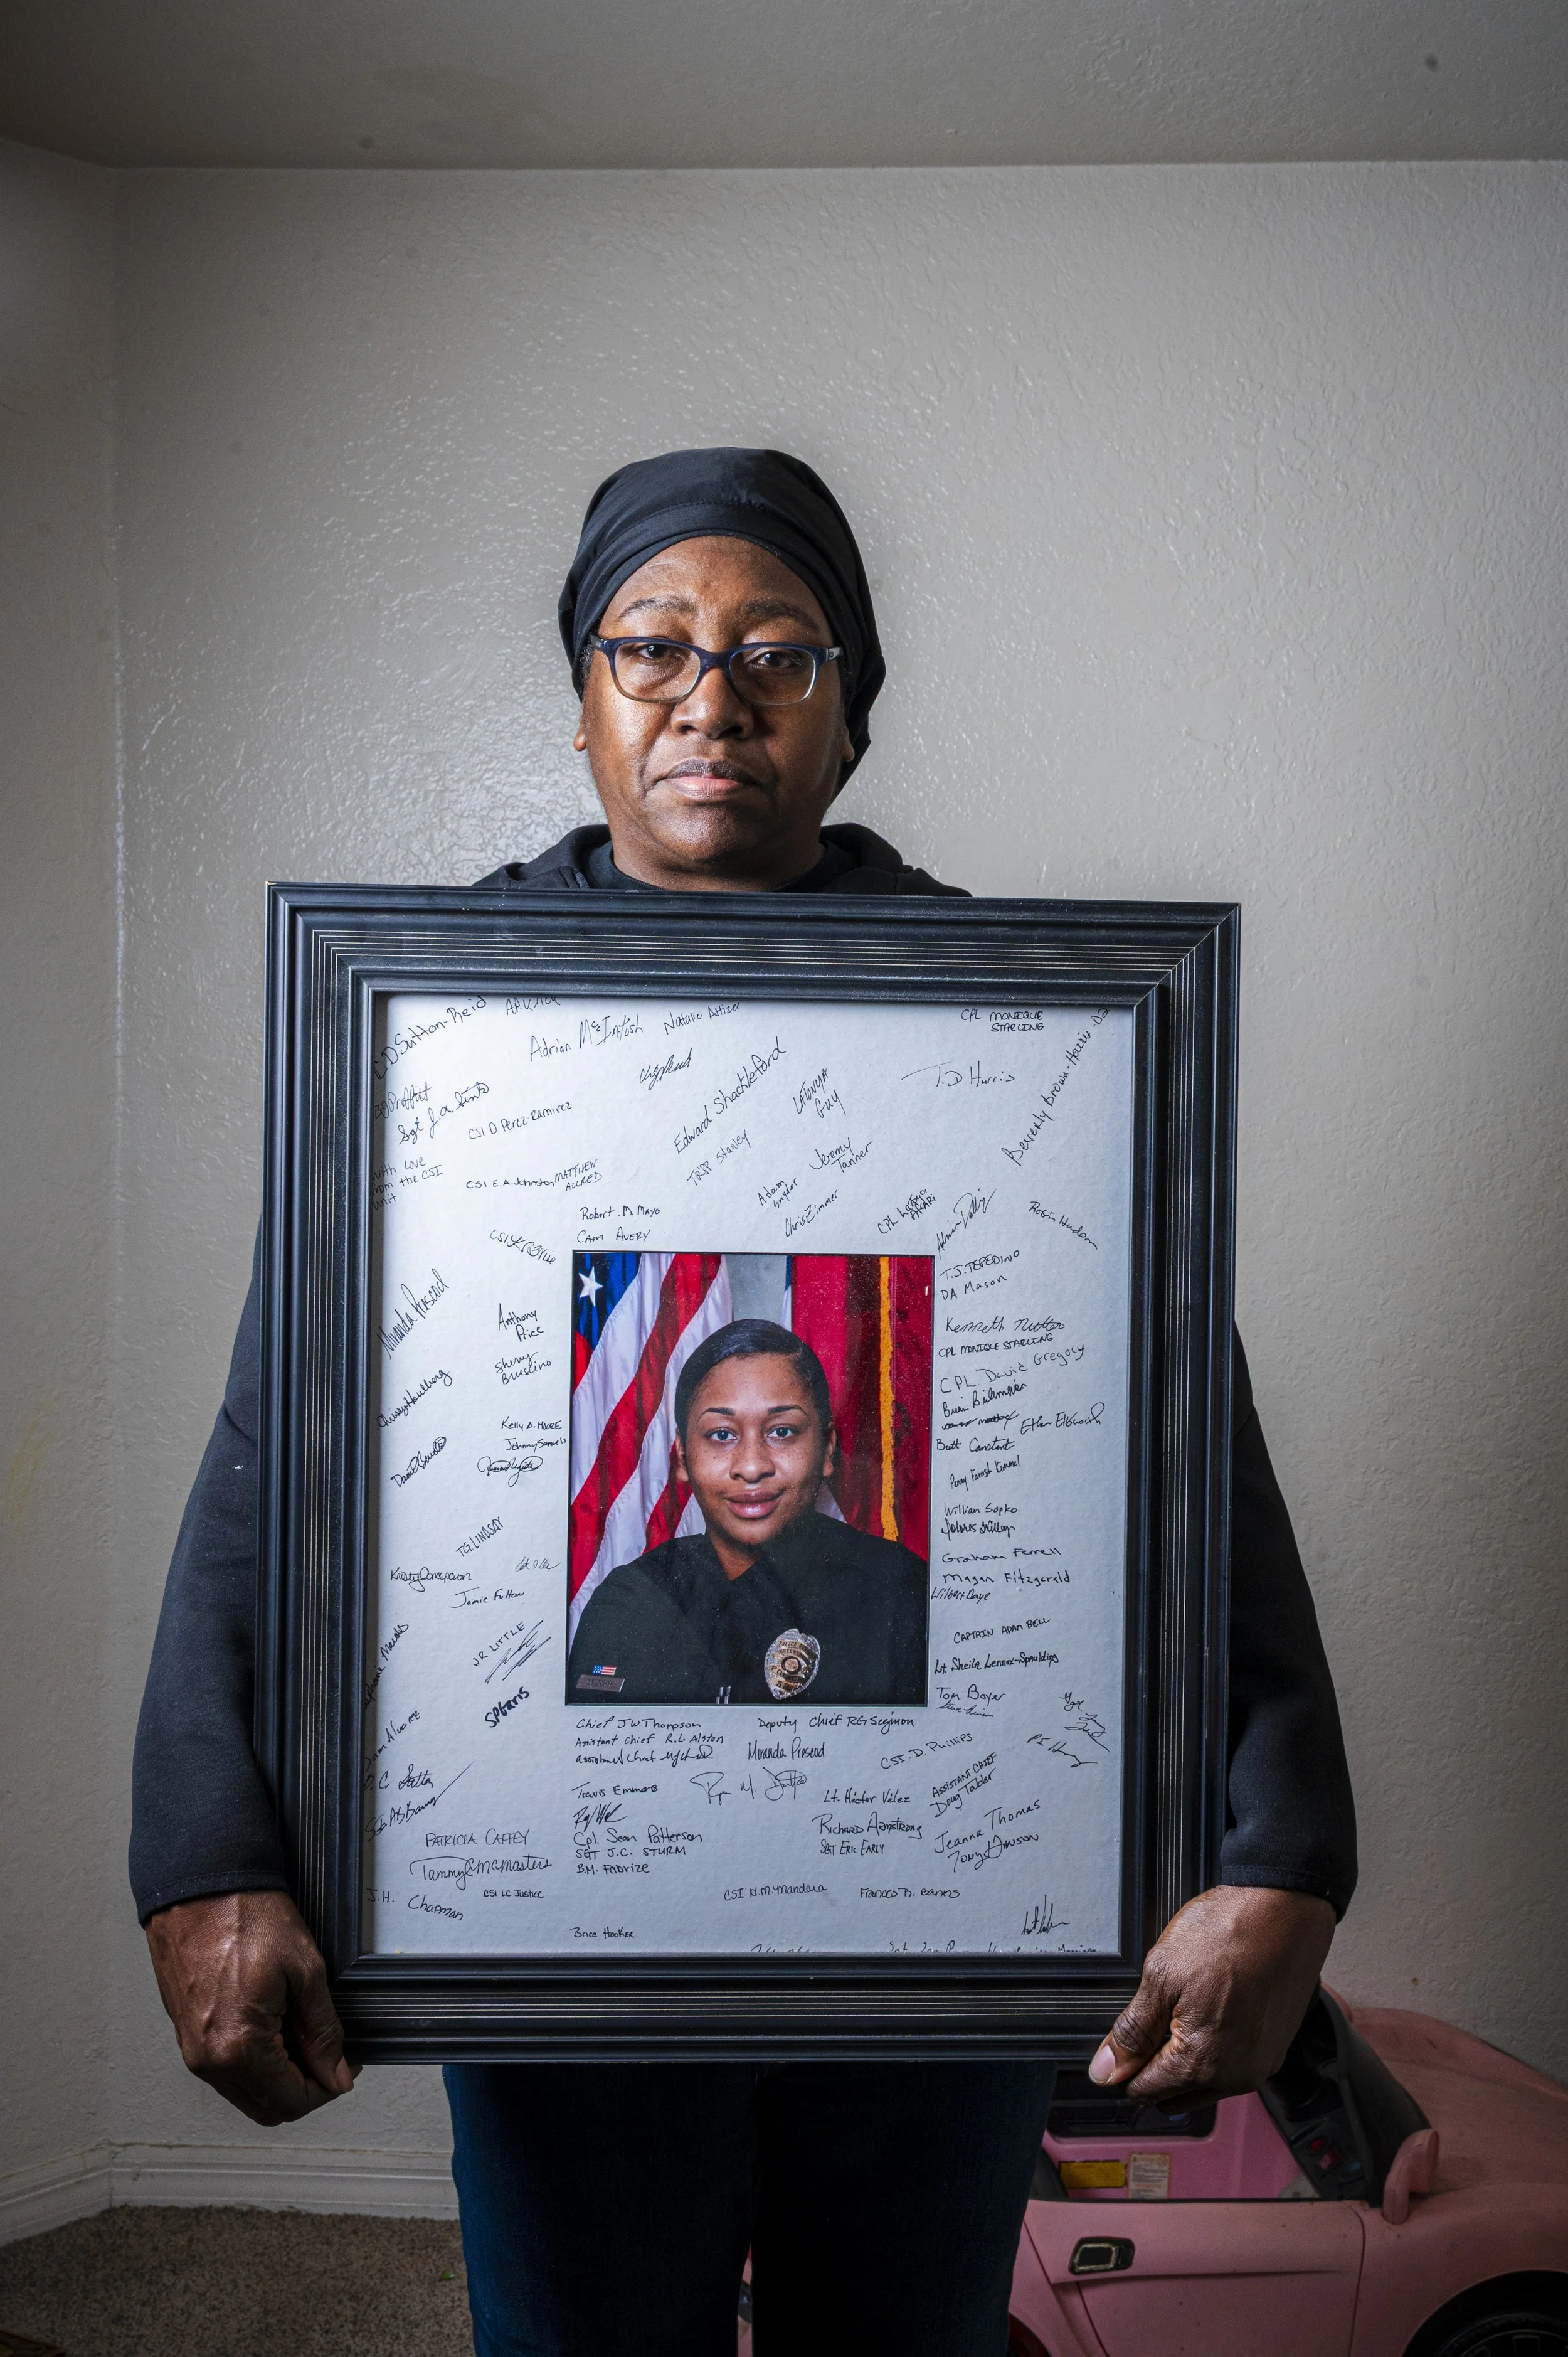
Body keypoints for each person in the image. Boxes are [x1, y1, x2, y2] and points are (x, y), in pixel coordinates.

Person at [132, 446, 1355, 2357]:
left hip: (947, 1930)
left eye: (777, 651)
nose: (711, 695)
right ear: (581, 705)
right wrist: (208, 1854)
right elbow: (270, 1460)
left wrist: (1275, 1850)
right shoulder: (428, 1044)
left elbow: (1186, 1465)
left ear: (849, 721)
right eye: (653, 646)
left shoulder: (1017, 1041)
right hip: (550, 1931)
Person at [568, 1318, 928, 1706]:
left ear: (826, 1450)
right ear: (683, 1458)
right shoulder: (632, 1603)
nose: (753, 1466)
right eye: (722, 1434)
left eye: (782, 1431)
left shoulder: (900, 1592)